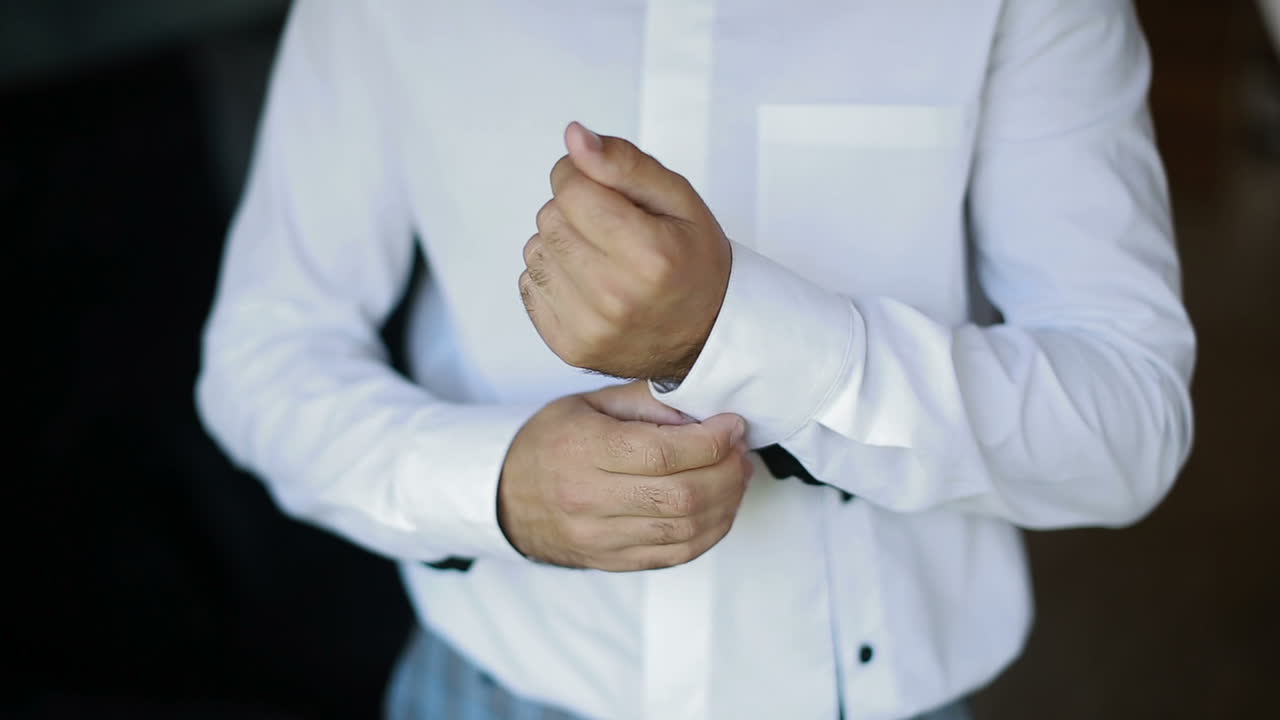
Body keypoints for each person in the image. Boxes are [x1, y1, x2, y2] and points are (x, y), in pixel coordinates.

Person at [196, 1, 1195, 718]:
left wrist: (734, 336)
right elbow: (263, 353)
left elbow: (1127, 428)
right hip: (490, 685)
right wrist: (497, 489)